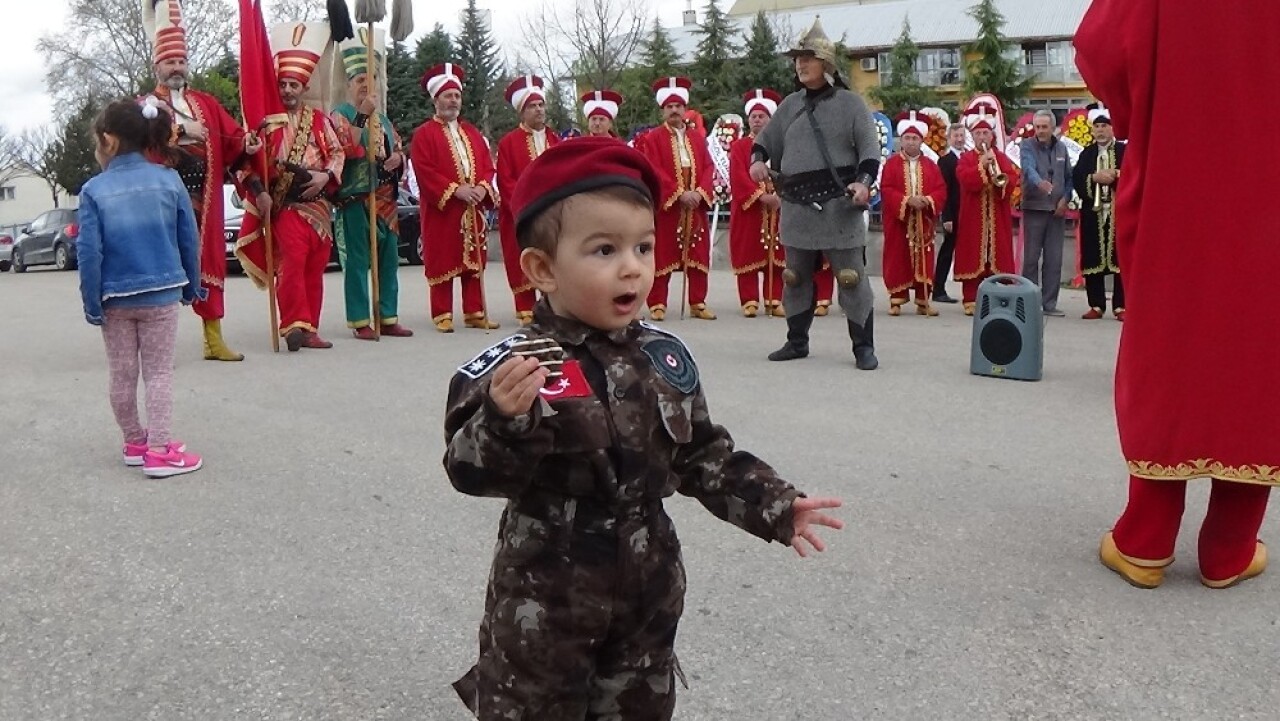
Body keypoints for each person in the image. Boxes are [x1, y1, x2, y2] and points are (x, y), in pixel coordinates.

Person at [443, 136, 844, 720]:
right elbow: (467, 471)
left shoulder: (663, 358)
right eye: (604, 250)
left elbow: (704, 457)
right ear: (543, 270)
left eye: (643, 246)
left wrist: (777, 505)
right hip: (546, 603)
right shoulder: (516, 366)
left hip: (646, 598)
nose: (632, 266)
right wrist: (504, 421)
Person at [1077, 0, 1280, 589]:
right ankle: (1229, 547)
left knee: (1170, 339)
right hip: (1269, 186)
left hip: (1178, 176)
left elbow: (1101, 43)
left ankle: (1146, 538)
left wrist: (1149, 100)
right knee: (1259, 345)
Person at [76, 99, 205, 477]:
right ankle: (160, 449)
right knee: (159, 373)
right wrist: (191, 287)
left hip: (115, 298)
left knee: (121, 373)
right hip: (162, 292)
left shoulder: (93, 191)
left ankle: (135, 442)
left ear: (108, 140)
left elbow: (88, 253)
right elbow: (188, 239)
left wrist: (92, 302)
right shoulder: (168, 179)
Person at [749, 18, 882, 369]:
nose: (800, 64)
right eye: (797, 59)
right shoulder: (790, 105)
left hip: (839, 205)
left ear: (827, 63)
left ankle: (863, 348)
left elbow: (870, 151)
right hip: (797, 206)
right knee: (795, 277)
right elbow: (765, 141)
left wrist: (864, 182)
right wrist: (757, 160)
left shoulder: (851, 104)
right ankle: (796, 342)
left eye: (808, 57)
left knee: (851, 278)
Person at [143, 0, 253, 361]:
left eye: (180, 61)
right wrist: (177, 131)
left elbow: (232, 139)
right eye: (169, 62)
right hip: (164, 199)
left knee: (210, 263)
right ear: (157, 65)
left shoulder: (205, 102)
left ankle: (213, 339)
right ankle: (157, 344)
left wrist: (248, 143)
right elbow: (141, 144)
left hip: (205, 198)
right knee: (163, 265)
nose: (176, 67)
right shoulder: (145, 105)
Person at [235, 21, 345, 352]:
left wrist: (327, 176)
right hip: (288, 204)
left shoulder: (319, 120)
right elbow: (245, 161)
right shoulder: (266, 121)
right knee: (293, 263)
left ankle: (310, 327)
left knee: (315, 266)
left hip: (320, 203)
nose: (287, 90)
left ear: (304, 86)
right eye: (282, 84)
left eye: (294, 85)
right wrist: (259, 189)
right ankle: (293, 324)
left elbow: (337, 151)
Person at [331, 29, 413, 340]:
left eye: (371, 79)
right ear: (350, 84)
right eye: (360, 80)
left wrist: (398, 159)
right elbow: (347, 148)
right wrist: (363, 117)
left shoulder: (387, 121)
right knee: (357, 261)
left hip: (386, 199)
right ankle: (360, 319)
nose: (367, 84)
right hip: (355, 197)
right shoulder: (341, 114)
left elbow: (398, 150)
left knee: (390, 259)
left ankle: (388, 316)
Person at [411, 63, 499, 333]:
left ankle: (474, 311)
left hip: (473, 208)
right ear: (436, 99)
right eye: (448, 95)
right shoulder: (423, 134)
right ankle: (442, 312)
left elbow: (486, 165)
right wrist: (455, 189)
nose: (453, 100)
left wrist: (483, 187)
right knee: (443, 257)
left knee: (474, 261)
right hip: (444, 209)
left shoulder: (472, 132)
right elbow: (424, 170)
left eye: (457, 96)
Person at [634, 76, 717, 321]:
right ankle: (657, 302)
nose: (674, 110)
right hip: (669, 207)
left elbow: (708, 168)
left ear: (685, 109)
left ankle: (698, 301)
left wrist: (699, 192)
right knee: (663, 253)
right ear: (663, 110)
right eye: (669, 107)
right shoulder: (653, 139)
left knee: (698, 254)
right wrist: (679, 193)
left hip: (696, 204)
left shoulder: (697, 138)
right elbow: (653, 169)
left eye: (678, 106)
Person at [497, 75, 560, 325]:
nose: (539, 110)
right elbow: (506, 180)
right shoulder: (508, 143)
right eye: (532, 106)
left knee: (552, 256)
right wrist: (526, 207)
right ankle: (524, 306)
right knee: (522, 256)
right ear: (522, 112)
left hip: (552, 211)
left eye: (541, 105)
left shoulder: (554, 140)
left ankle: (551, 303)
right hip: (521, 213)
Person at [953, 102, 1020, 316]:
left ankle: (998, 297)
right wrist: (981, 165)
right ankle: (971, 298)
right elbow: (966, 180)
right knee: (973, 254)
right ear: (973, 136)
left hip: (997, 217)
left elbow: (1010, 179)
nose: (982, 137)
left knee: (996, 255)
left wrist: (1001, 179)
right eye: (978, 133)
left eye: (986, 133)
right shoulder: (966, 158)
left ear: (992, 136)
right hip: (973, 216)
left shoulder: (1001, 157)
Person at [879, 110, 947, 317]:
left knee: (924, 258)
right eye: (907, 138)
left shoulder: (931, 165)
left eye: (915, 138)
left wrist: (927, 200)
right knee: (897, 257)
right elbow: (887, 188)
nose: (910, 142)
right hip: (899, 221)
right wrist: (907, 200)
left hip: (923, 221)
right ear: (902, 140)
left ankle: (923, 299)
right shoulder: (891, 164)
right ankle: (896, 299)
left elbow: (941, 189)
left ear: (921, 140)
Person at [728, 89, 786, 317]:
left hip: (778, 208)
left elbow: (787, 172)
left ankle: (774, 299)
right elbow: (738, 176)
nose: (757, 120)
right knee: (748, 252)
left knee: (779, 255)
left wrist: (781, 196)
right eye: (753, 116)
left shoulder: (781, 146)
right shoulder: (740, 147)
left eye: (762, 116)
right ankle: (749, 300)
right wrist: (761, 196)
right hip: (750, 210)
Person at [1071, 102, 1125, 320]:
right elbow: (1076, 178)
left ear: (1112, 129)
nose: (1100, 130)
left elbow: (1134, 174)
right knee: (1093, 257)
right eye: (1097, 127)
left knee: (1120, 258)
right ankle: (1096, 304)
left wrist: (1116, 175)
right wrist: (1093, 178)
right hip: (1093, 214)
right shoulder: (1087, 153)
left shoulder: (1123, 150)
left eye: (1104, 126)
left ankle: (1121, 306)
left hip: (1117, 212)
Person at [1019, 109, 1072, 316]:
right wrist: (1039, 182)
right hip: (1034, 208)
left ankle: (1049, 304)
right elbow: (1028, 168)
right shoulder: (1027, 146)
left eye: (1044, 127)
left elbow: (1069, 177)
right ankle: (1029, 304)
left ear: (1052, 128)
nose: (1040, 131)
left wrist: (1065, 198)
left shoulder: (1061, 149)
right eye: (1037, 127)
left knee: (1054, 260)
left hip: (1056, 212)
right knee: (1031, 259)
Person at [932, 122, 966, 304]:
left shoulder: (969, 157)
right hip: (953, 214)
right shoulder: (945, 161)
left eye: (962, 135)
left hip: (967, 213)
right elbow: (943, 190)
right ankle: (938, 288)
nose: (959, 139)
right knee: (947, 251)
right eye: (956, 136)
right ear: (949, 138)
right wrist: (947, 216)